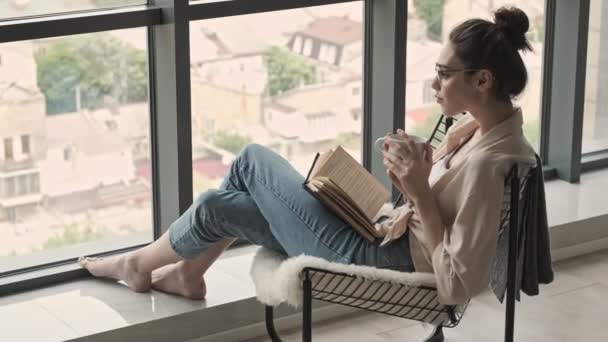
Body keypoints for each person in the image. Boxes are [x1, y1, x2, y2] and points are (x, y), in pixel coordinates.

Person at [79, 6, 537, 304]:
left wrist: (417, 194)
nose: (434, 85)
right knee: (218, 205)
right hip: (382, 235)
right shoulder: (476, 131)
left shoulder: (491, 162)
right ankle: (183, 276)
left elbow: (458, 283)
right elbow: (438, 209)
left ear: (482, 81)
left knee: (251, 160)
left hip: (383, 259)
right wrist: (409, 179)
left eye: (443, 74)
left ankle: (140, 265)